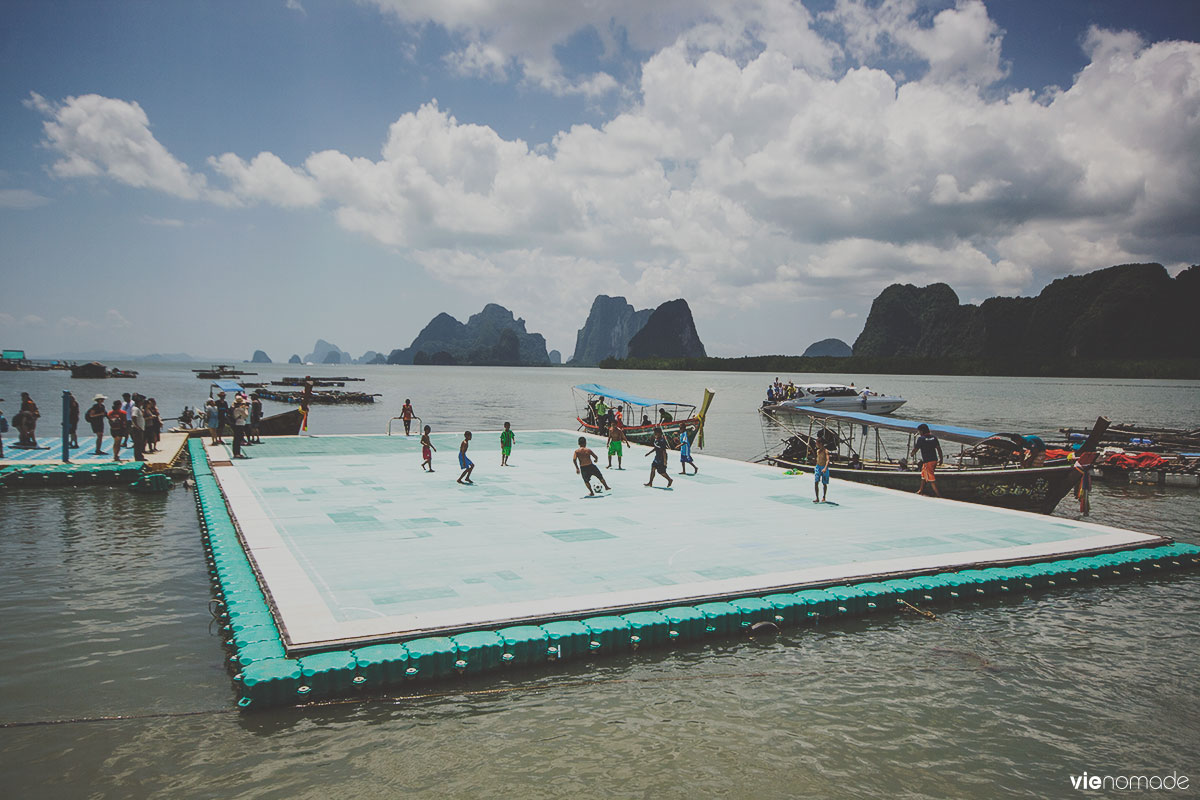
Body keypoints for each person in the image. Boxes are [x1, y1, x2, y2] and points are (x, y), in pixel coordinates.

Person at [911, 423, 943, 497]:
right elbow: (939, 449)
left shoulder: (921, 439)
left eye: (919, 431)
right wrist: (941, 459)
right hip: (934, 460)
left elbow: (916, 449)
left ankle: (938, 495)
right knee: (923, 475)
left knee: (931, 479)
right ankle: (920, 490)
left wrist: (912, 453)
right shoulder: (934, 438)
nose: (919, 433)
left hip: (928, 461)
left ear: (922, 431)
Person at [128, 394, 146, 462]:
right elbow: (133, 417)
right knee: (137, 444)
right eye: (142, 401)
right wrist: (137, 426)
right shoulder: (135, 409)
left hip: (140, 428)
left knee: (140, 443)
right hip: (137, 429)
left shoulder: (139, 408)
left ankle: (140, 456)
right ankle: (138, 457)